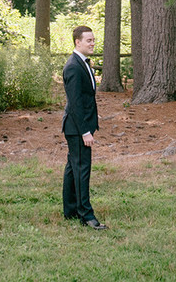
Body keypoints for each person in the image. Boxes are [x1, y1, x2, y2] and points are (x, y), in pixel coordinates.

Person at [62, 25, 108, 230]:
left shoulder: (83, 63)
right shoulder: (73, 66)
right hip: (76, 128)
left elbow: (84, 96)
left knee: (73, 168)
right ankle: (86, 215)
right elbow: (74, 103)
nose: (92, 43)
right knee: (82, 170)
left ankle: (70, 209)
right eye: (88, 40)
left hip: (79, 124)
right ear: (77, 42)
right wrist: (85, 132)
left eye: (93, 40)